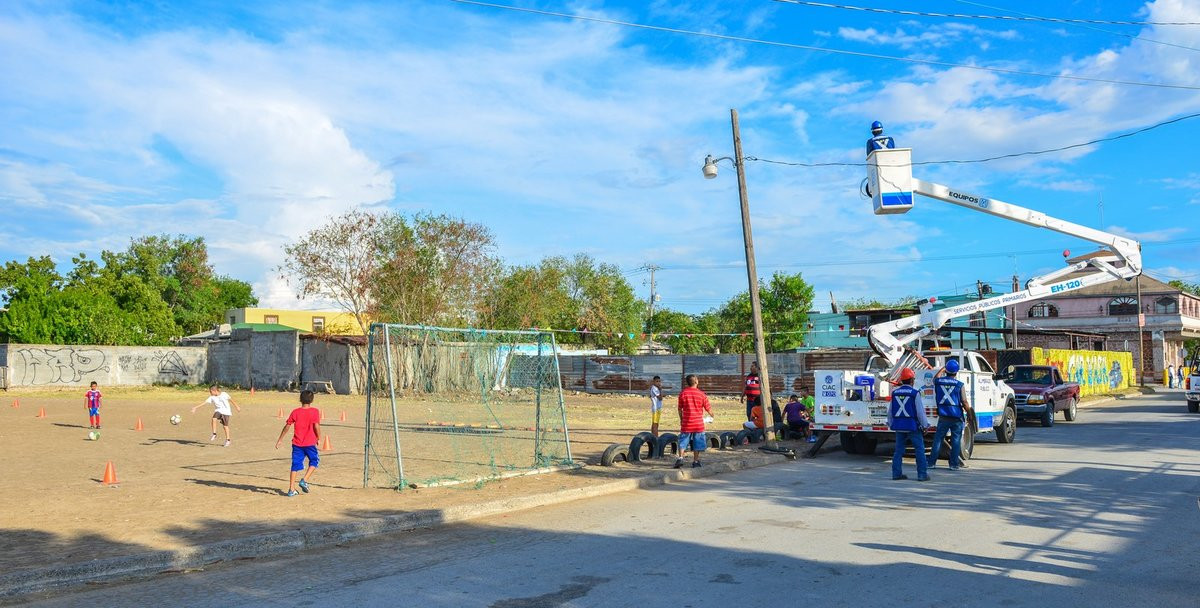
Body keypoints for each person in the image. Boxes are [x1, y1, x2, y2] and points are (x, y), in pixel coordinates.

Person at [275, 390, 322, 497]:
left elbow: (287, 426)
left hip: (297, 444)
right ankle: (304, 480)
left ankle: (291, 489)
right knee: (314, 461)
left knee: (295, 466)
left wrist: (280, 439)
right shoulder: (315, 411)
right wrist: (319, 438)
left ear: (300, 399)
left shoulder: (295, 412)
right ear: (312, 400)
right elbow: (316, 426)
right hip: (310, 443)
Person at [928, 359, 972, 471]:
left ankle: (931, 463)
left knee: (938, 439)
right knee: (956, 440)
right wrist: (969, 412)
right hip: (956, 416)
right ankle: (953, 465)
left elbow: (934, 379)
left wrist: (942, 368)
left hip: (943, 416)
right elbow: (964, 401)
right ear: (956, 372)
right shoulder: (959, 385)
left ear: (946, 371)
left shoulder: (939, 382)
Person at [887, 368, 930, 481]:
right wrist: (925, 426)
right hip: (912, 426)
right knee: (919, 450)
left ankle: (896, 474)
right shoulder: (915, 393)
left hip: (899, 426)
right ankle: (922, 475)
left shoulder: (895, 393)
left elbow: (890, 411)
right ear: (912, 380)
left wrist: (891, 424)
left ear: (902, 380)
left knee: (898, 451)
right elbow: (920, 412)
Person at [675, 374, 714, 469]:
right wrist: (712, 415)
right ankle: (696, 461)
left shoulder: (683, 393)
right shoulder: (701, 394)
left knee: (683, 440)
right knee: (697, 442)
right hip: (698, 424)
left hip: (686, 422)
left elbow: (680, 409)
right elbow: (708, 408)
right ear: (696, 381)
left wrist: (681, 419)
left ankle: (680, 458)